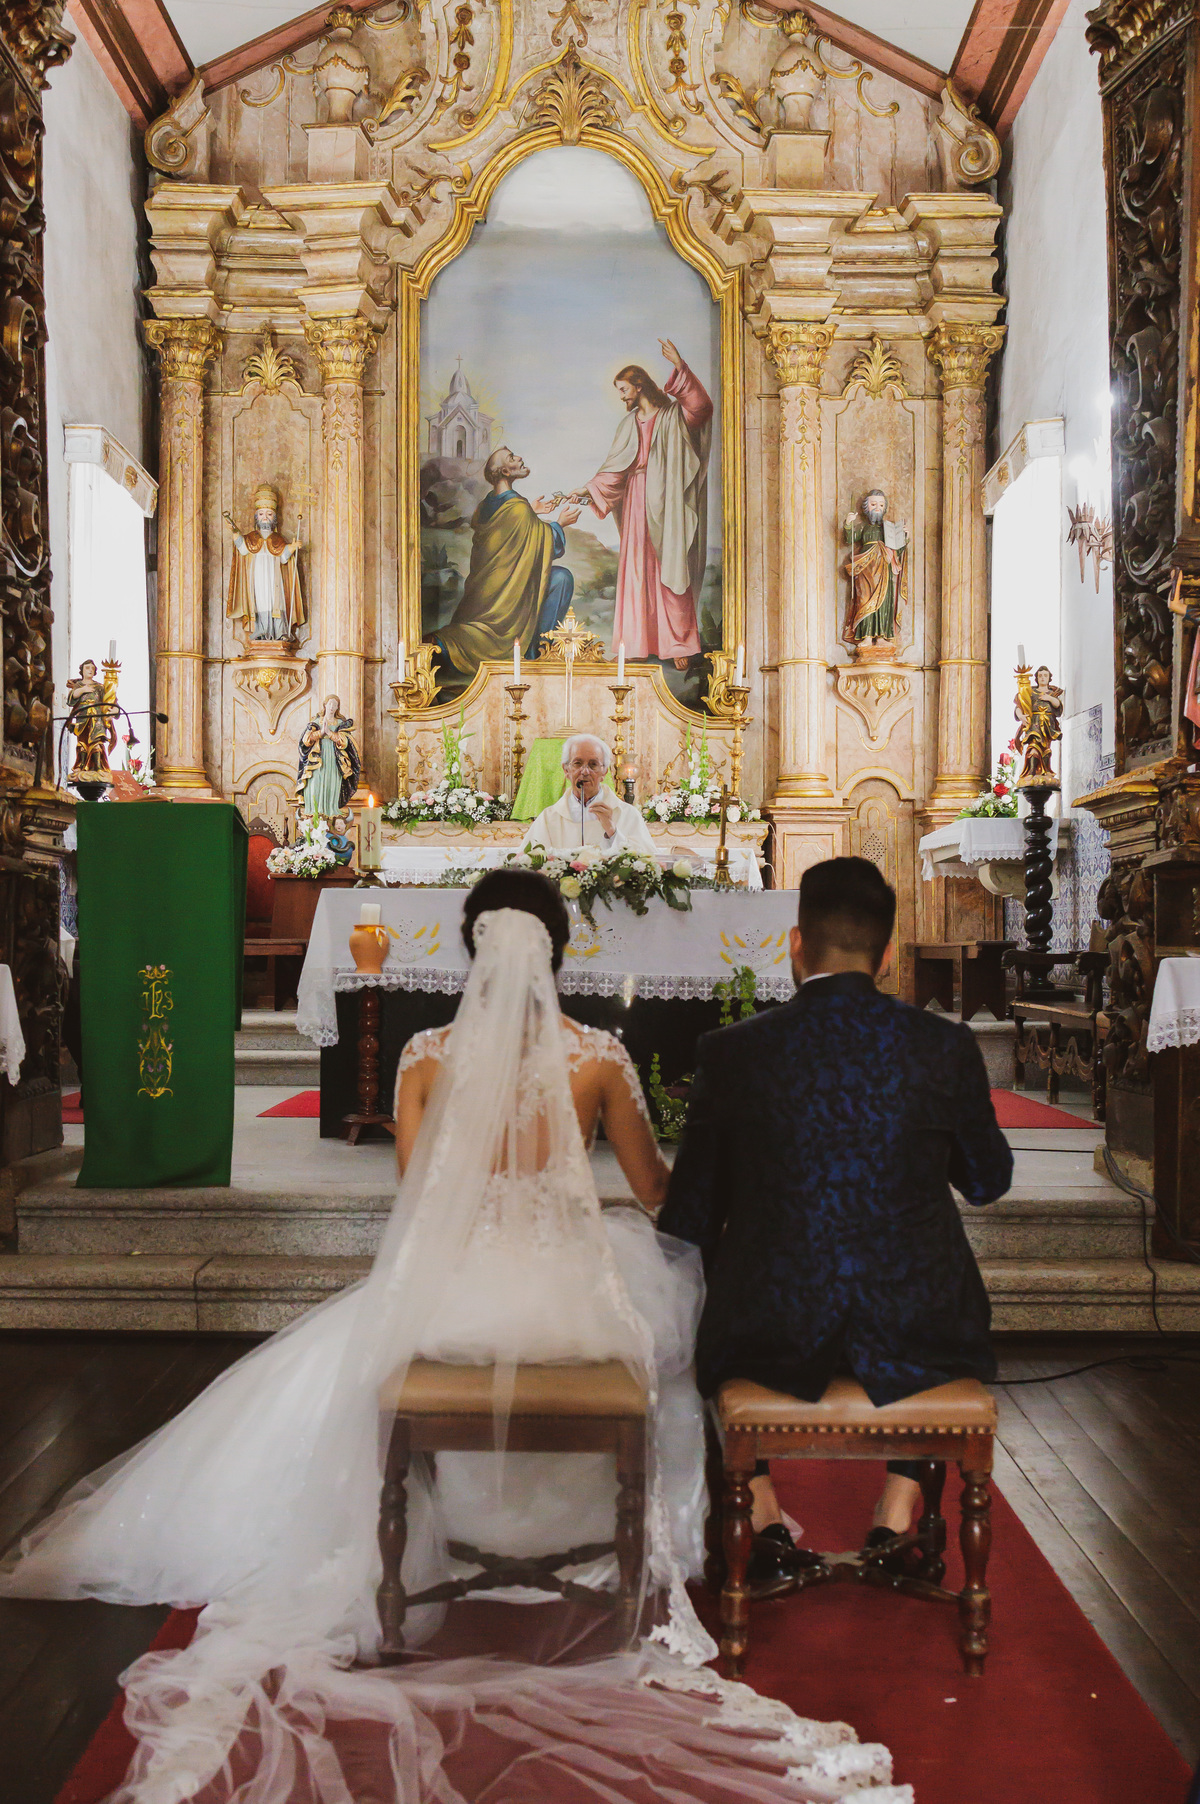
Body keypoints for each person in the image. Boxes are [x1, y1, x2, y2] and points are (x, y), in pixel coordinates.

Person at [0, 871, 900, 1802]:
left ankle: (438, 1540)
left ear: (473, 948)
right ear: (559, 953)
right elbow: (655, 1192)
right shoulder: (598, 1056)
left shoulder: (425, 1055)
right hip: (574, 1292)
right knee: (671, 1339)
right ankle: (630, 1545)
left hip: (457, 1289)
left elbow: (420, 1197)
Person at [659, 855, 1013, 1594]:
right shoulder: (943, 1047)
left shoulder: (732, 1051)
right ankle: (899, 1505)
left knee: (711, 1299)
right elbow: (987, 1182)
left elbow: (688, 1215)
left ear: (795, 945)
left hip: (769, 1323)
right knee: (939, 1289)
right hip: (922, 1320)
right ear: (886, 956)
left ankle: (757, 1508)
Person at [570, 340, 712, 670]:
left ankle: (678, 644)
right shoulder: (628, 425)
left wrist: (680, 367)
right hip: (636, 499)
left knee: (670, 567)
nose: (622, 396)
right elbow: (614, 471)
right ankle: (634, 644)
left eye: (623, 389)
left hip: (668, 500)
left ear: (639, 385)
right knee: (636, 568)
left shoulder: (673, 415)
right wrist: (587, 490)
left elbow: (702, 408)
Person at [432, 446, 579, 680]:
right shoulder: (517, 508)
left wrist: (531, 512)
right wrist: (560, 524)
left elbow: (509, 539)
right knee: (562, 578)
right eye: (512, 457)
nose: (519, 458)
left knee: (558, 577)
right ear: (505, 472)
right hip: (505, 599)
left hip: (489, 588)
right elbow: (546, 543)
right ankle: (535, 653)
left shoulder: (488, 505)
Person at [522, 732, 658, 854]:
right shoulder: (549, 818)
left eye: (593, 764)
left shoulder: (627, 814)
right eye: (577, 763)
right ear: (566, 770)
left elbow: (648, 861)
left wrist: (612, 832)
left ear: (604, 772)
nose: (585, 771)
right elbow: (526, 861)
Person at [224, 483, 305, 641]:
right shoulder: (251, 537)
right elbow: (243, 549)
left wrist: (292, 547)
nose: (265, 517)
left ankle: (280, 631)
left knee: (277, 602)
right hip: (257, 577)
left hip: (275, 578)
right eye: (261, 514)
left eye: (269, 514)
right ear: (256, 516)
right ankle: (261, 630)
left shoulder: (277, 539)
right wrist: (235, 533)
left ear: (274, 517)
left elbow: (283, 557)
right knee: (259, 602)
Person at [295, 693, 360, 816]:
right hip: (317, 757)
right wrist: (321, 733)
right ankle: (314, 813)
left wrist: (329, 733)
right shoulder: (315, 721)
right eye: (330, 704)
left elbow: (345, 742)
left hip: (334, 758)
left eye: (335, 705)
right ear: (325, 705)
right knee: (315, 783)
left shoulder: (341, 723)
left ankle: (330, 812)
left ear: (337, 707)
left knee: (332, 783)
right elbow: (306, 740)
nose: (331, 707)